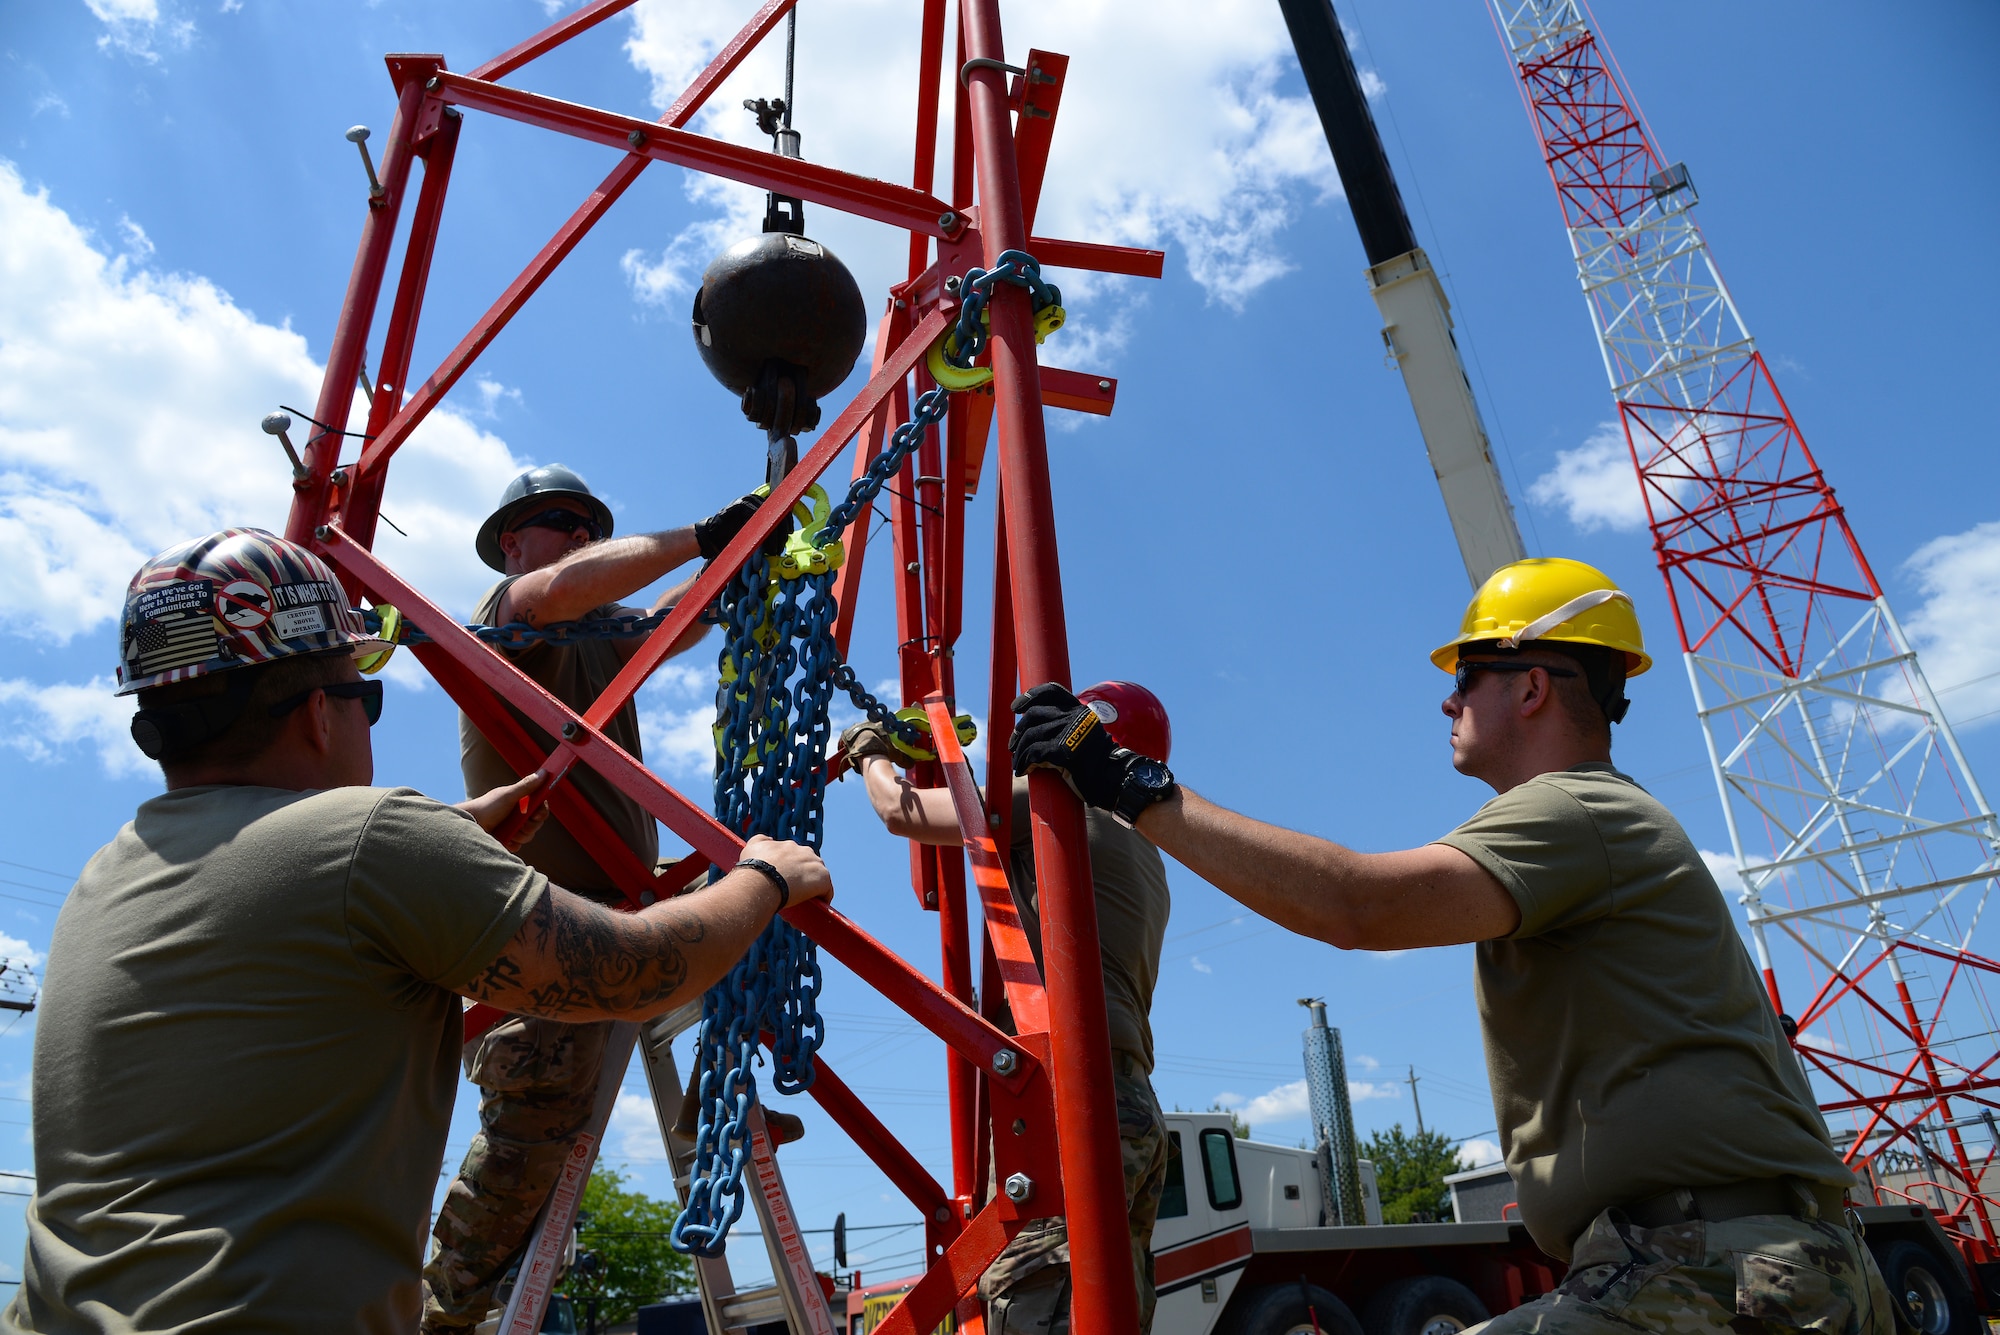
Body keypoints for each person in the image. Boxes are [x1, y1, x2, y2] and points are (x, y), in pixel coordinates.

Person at [1007, 558, 1893, 1335]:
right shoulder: (1587, 819)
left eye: (1467, 674)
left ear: (1533, 687)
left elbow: (1357, 904)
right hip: (1718, 1258)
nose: (1447, 697)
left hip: (1721, 1265)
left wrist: (1123, 780)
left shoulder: (1578, 808)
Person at [7, 529, 830, 1333]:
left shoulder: (104, 877)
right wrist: (764, 879)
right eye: (368, 693)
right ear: (320, 716)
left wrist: (457, 832)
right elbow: (634, 970)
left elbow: (305, 883)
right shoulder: (372, 842)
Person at [427, 465, 776, 1331]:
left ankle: (713, 1106)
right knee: (527, 1146)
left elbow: (678, 626)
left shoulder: (597, 633)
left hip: (625, 905)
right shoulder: (510, 614)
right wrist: (703, 531)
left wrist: (744, 554)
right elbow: (557, 590)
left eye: (590, 523)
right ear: (514, 541)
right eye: (559, 521)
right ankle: (440, 1314)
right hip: (540, 922)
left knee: (763, 893)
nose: (581, 535)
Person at [837, 682, 1174, 1335]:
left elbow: (902, 810)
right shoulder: (1145, 847)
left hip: (1070, 1099)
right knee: (1108, 1311)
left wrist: (868, 754)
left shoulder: (1062, 802)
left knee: (1034, 1298)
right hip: (1133, 1102)